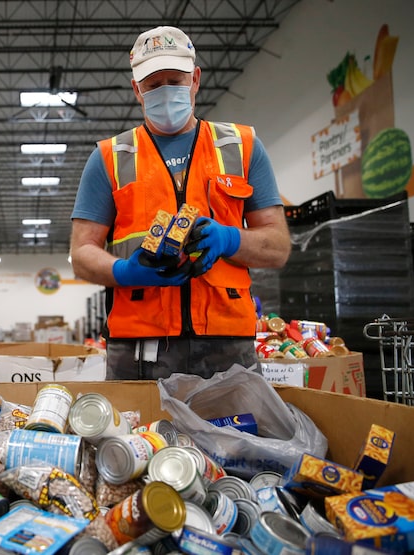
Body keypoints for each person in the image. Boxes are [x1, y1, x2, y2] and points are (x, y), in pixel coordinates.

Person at [70, 26, 291, 380]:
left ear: (196, 79)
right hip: (139, 347)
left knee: (237, 435)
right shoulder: (110, 157)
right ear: (136, 90)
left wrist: (230, 240)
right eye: (153, 85)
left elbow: (278, 247)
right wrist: (125, 272)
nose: (166, 91)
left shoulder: (241, 146)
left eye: (175, 79)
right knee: (139, 436)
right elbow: (81, 255)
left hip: (228, 345)